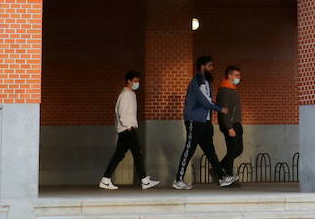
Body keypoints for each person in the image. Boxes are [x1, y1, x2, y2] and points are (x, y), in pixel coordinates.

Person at [173, 55, 239, 189]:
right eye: (210, 66)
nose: (212, 68)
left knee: (210, 150)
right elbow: (204, 100)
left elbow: (207, 100)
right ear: (203, 66)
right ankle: (178, 180)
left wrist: (214, 109)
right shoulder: (198, 79)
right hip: (195, 119)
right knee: (189, 148)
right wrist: (219, 108)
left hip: (205, 121)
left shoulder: (207, 81)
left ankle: (221, 178)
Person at [99, 71, 160, 190]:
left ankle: (105, 180)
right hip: (127, 129)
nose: (137, 83)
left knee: (119, 155)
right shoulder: (125, 94)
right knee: (138, 153)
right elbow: (121, 112)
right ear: (129, 81)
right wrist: (128, 126)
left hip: (125, 129)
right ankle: (144, 180)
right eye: (135, 81)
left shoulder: (131, 94)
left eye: (138, 81)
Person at [217, 64, 245, 178]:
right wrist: (229, 127)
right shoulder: (225, 91)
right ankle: (223, 173)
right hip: (231, 124)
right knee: (234, 150)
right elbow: (225, 111)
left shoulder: (232, 90)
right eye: (236, 75)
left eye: (239, 75)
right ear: (229, 75)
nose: (239, 77)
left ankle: (223, 172)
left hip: (236, 123)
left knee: (236, 150)